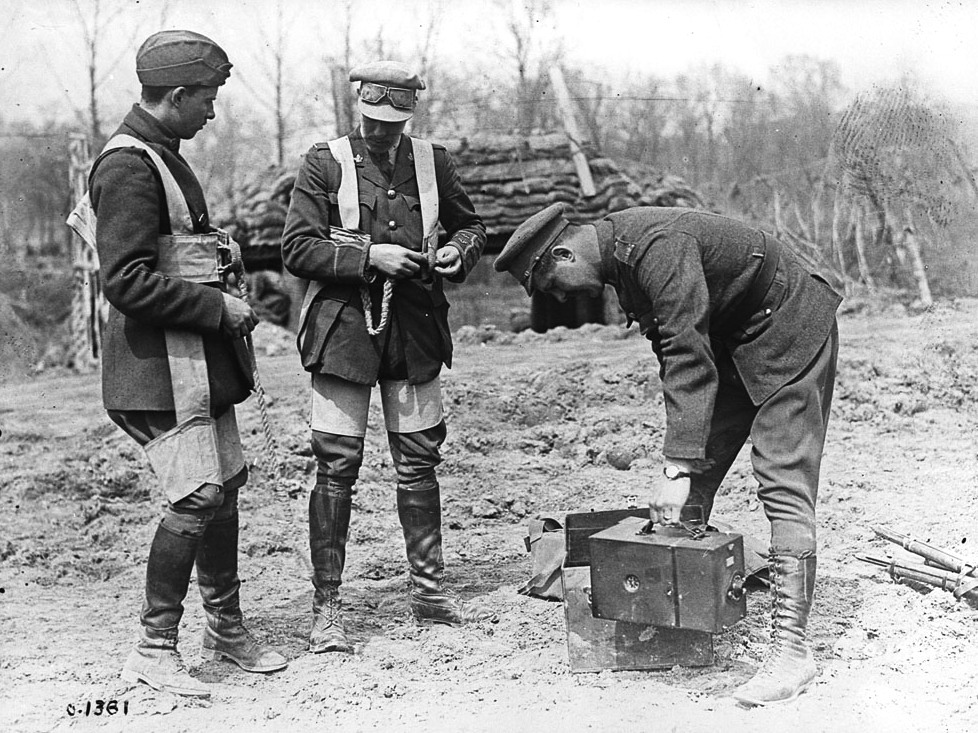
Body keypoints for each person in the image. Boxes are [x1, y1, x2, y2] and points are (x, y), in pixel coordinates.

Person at [494, 204, 841, 706]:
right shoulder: (623, 260)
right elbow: (675, 356)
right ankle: (677, 618)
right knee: (692, 491)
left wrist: (674, 466)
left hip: (787, 326)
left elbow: (686, 351)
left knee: (781, 480)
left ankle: (792, 651)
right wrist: (684, 462)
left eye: (553, 284)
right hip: (732, 340)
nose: (561, 297)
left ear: (564, 253)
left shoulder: (655, 246)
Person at [84, 30, 287, 697]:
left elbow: (172, 255)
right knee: (196, 494)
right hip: (155, 369)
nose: (212, 111)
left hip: (192, 365)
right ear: (175, 95)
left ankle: (225, 631)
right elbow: (128, 281)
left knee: (223, 485)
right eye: (206, 98)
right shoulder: (129, 165)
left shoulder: (165, 155)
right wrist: (216, 310)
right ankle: (153, 646)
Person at [281, 60, 497, 654]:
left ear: (411, 113)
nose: (382, 132)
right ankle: (328, 609)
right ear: (359, 108)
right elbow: (297, 246)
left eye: (394, 121)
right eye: (374, 120)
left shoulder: (435, 160)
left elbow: (472, 226)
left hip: (415, 330)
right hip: (343, 332)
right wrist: (368, 257)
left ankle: (428, 592)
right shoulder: (323, 161)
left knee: (419, 459)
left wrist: (458, 250)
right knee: (335, 466)